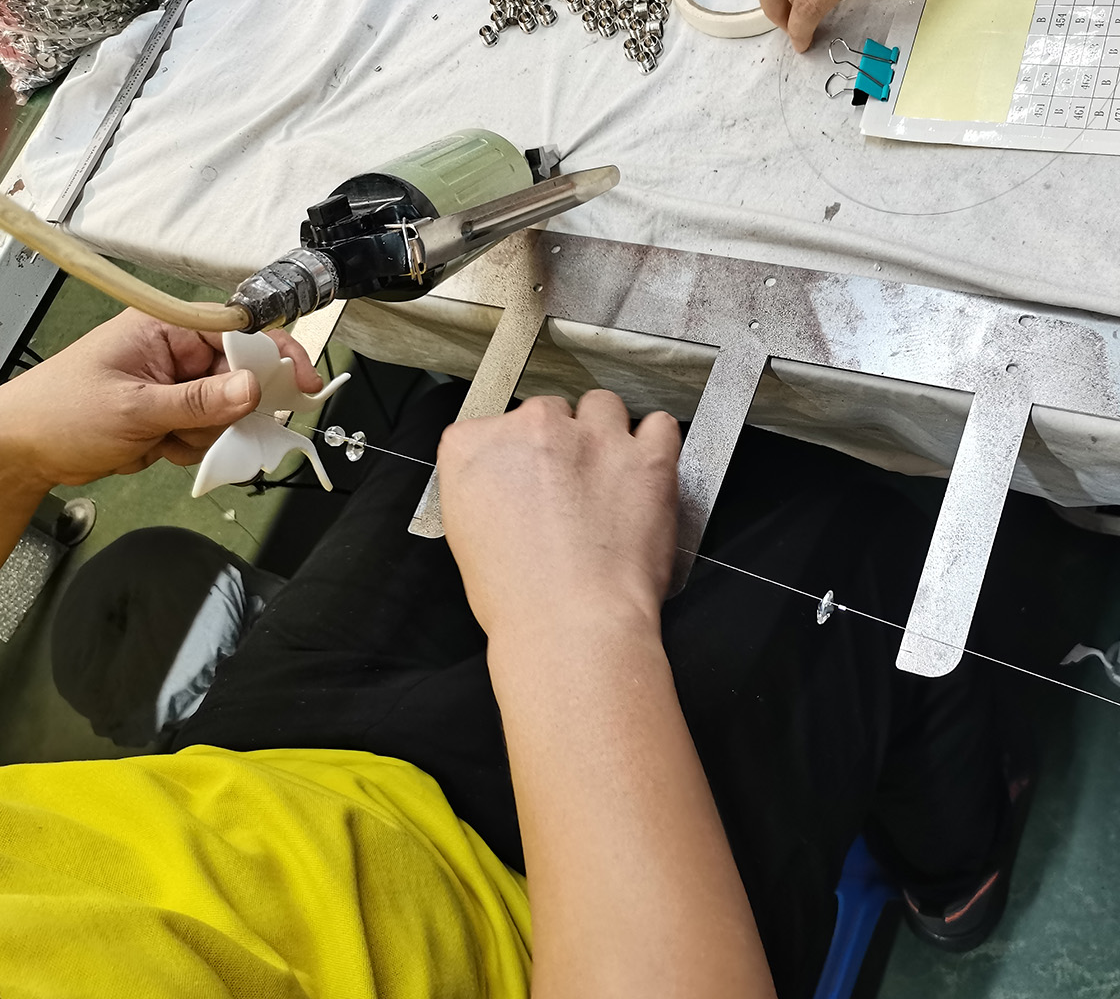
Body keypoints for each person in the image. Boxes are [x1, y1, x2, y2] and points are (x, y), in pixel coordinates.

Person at [0, 308, 1026, 998]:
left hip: (252, 789)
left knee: (476, 415)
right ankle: (953, 872)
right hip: (544, 932)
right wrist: (570, 626)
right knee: (861, 552)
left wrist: (16, 450)